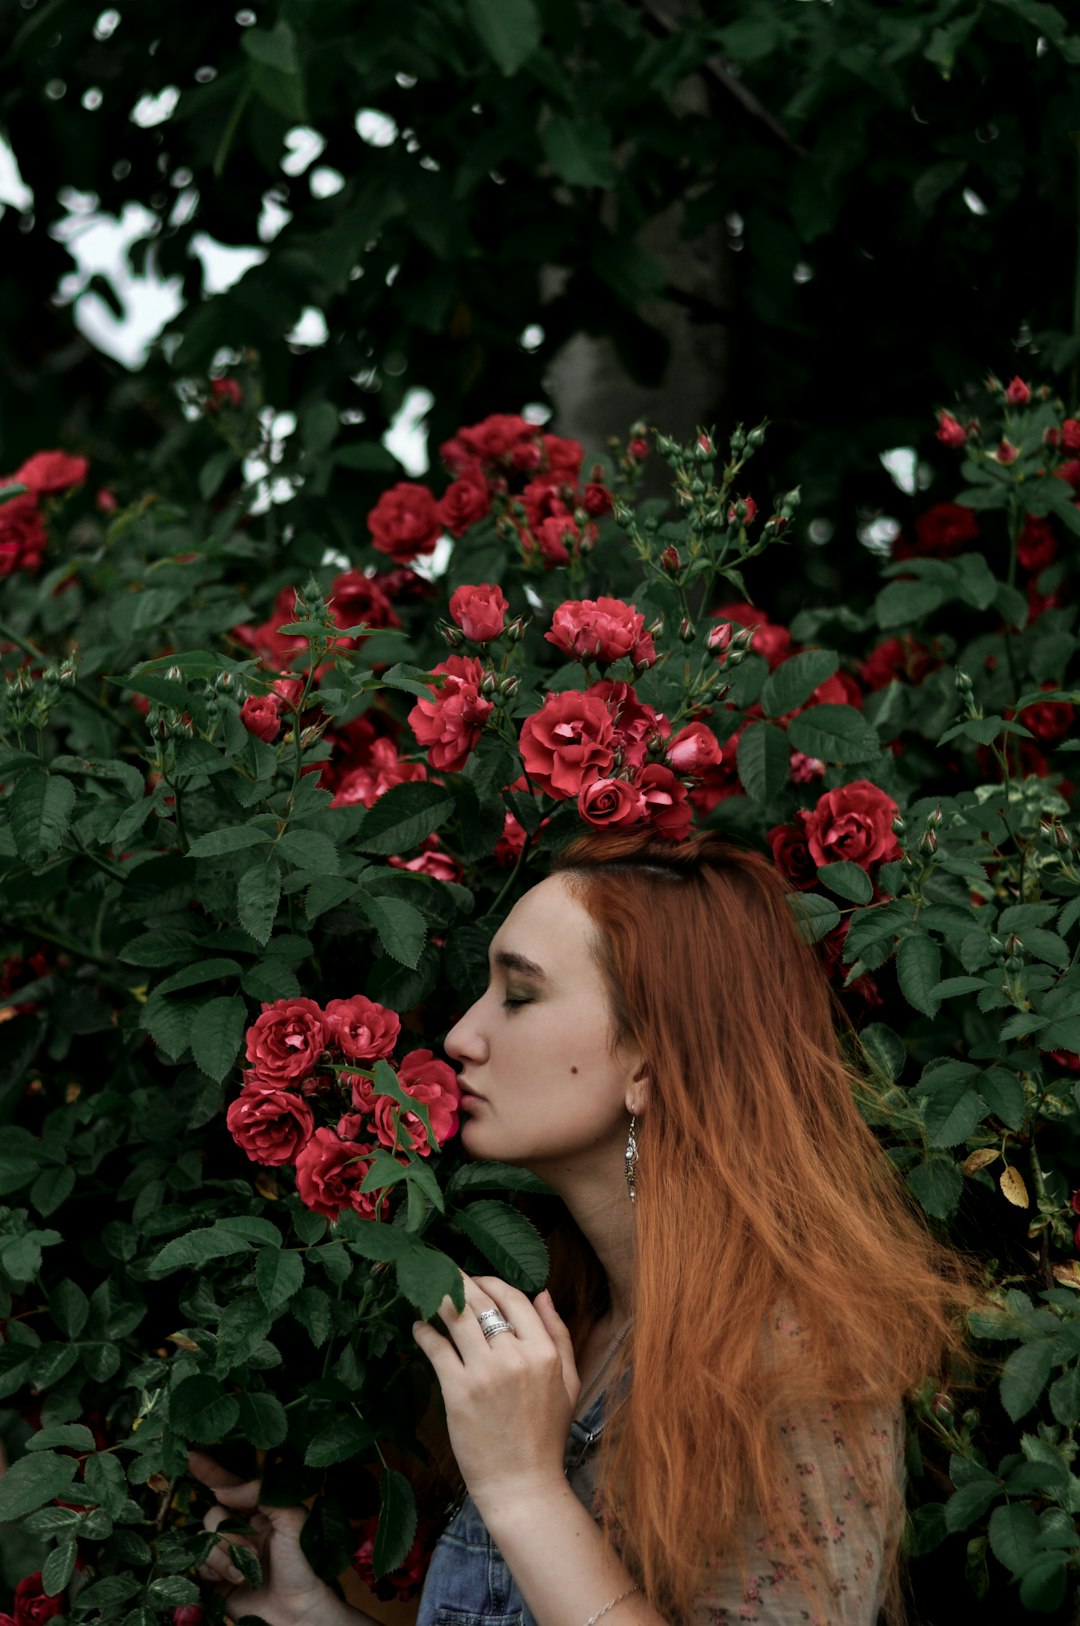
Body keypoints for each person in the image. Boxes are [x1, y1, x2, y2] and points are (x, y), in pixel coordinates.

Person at [191, 829, 971, 1626]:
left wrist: (524, 1491)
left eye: (519, 995)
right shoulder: (577, 1316)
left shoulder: (789, 1363)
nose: (461, 1034)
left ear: (648, 1063)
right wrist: (305, 1612)